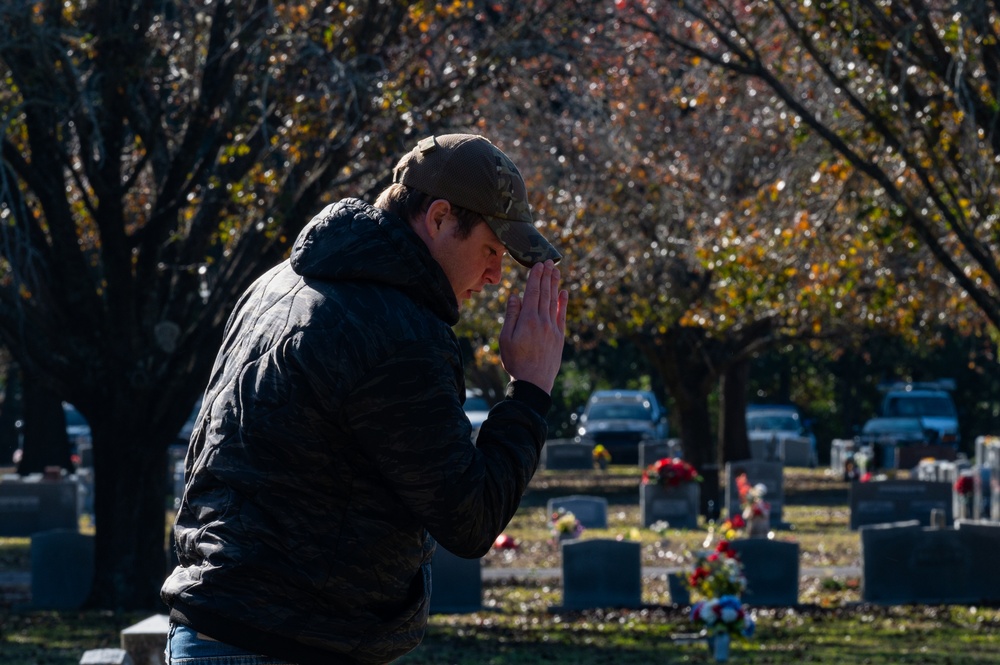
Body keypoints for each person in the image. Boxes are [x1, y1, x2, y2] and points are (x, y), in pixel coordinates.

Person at [161, 134, 568, 665]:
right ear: (441, 217)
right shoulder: (399, 328)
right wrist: (531, 391)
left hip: (211, 628)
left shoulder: (275, 286)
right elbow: (468, 518)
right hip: (290, 643)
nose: (494, 276)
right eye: (491, 250)